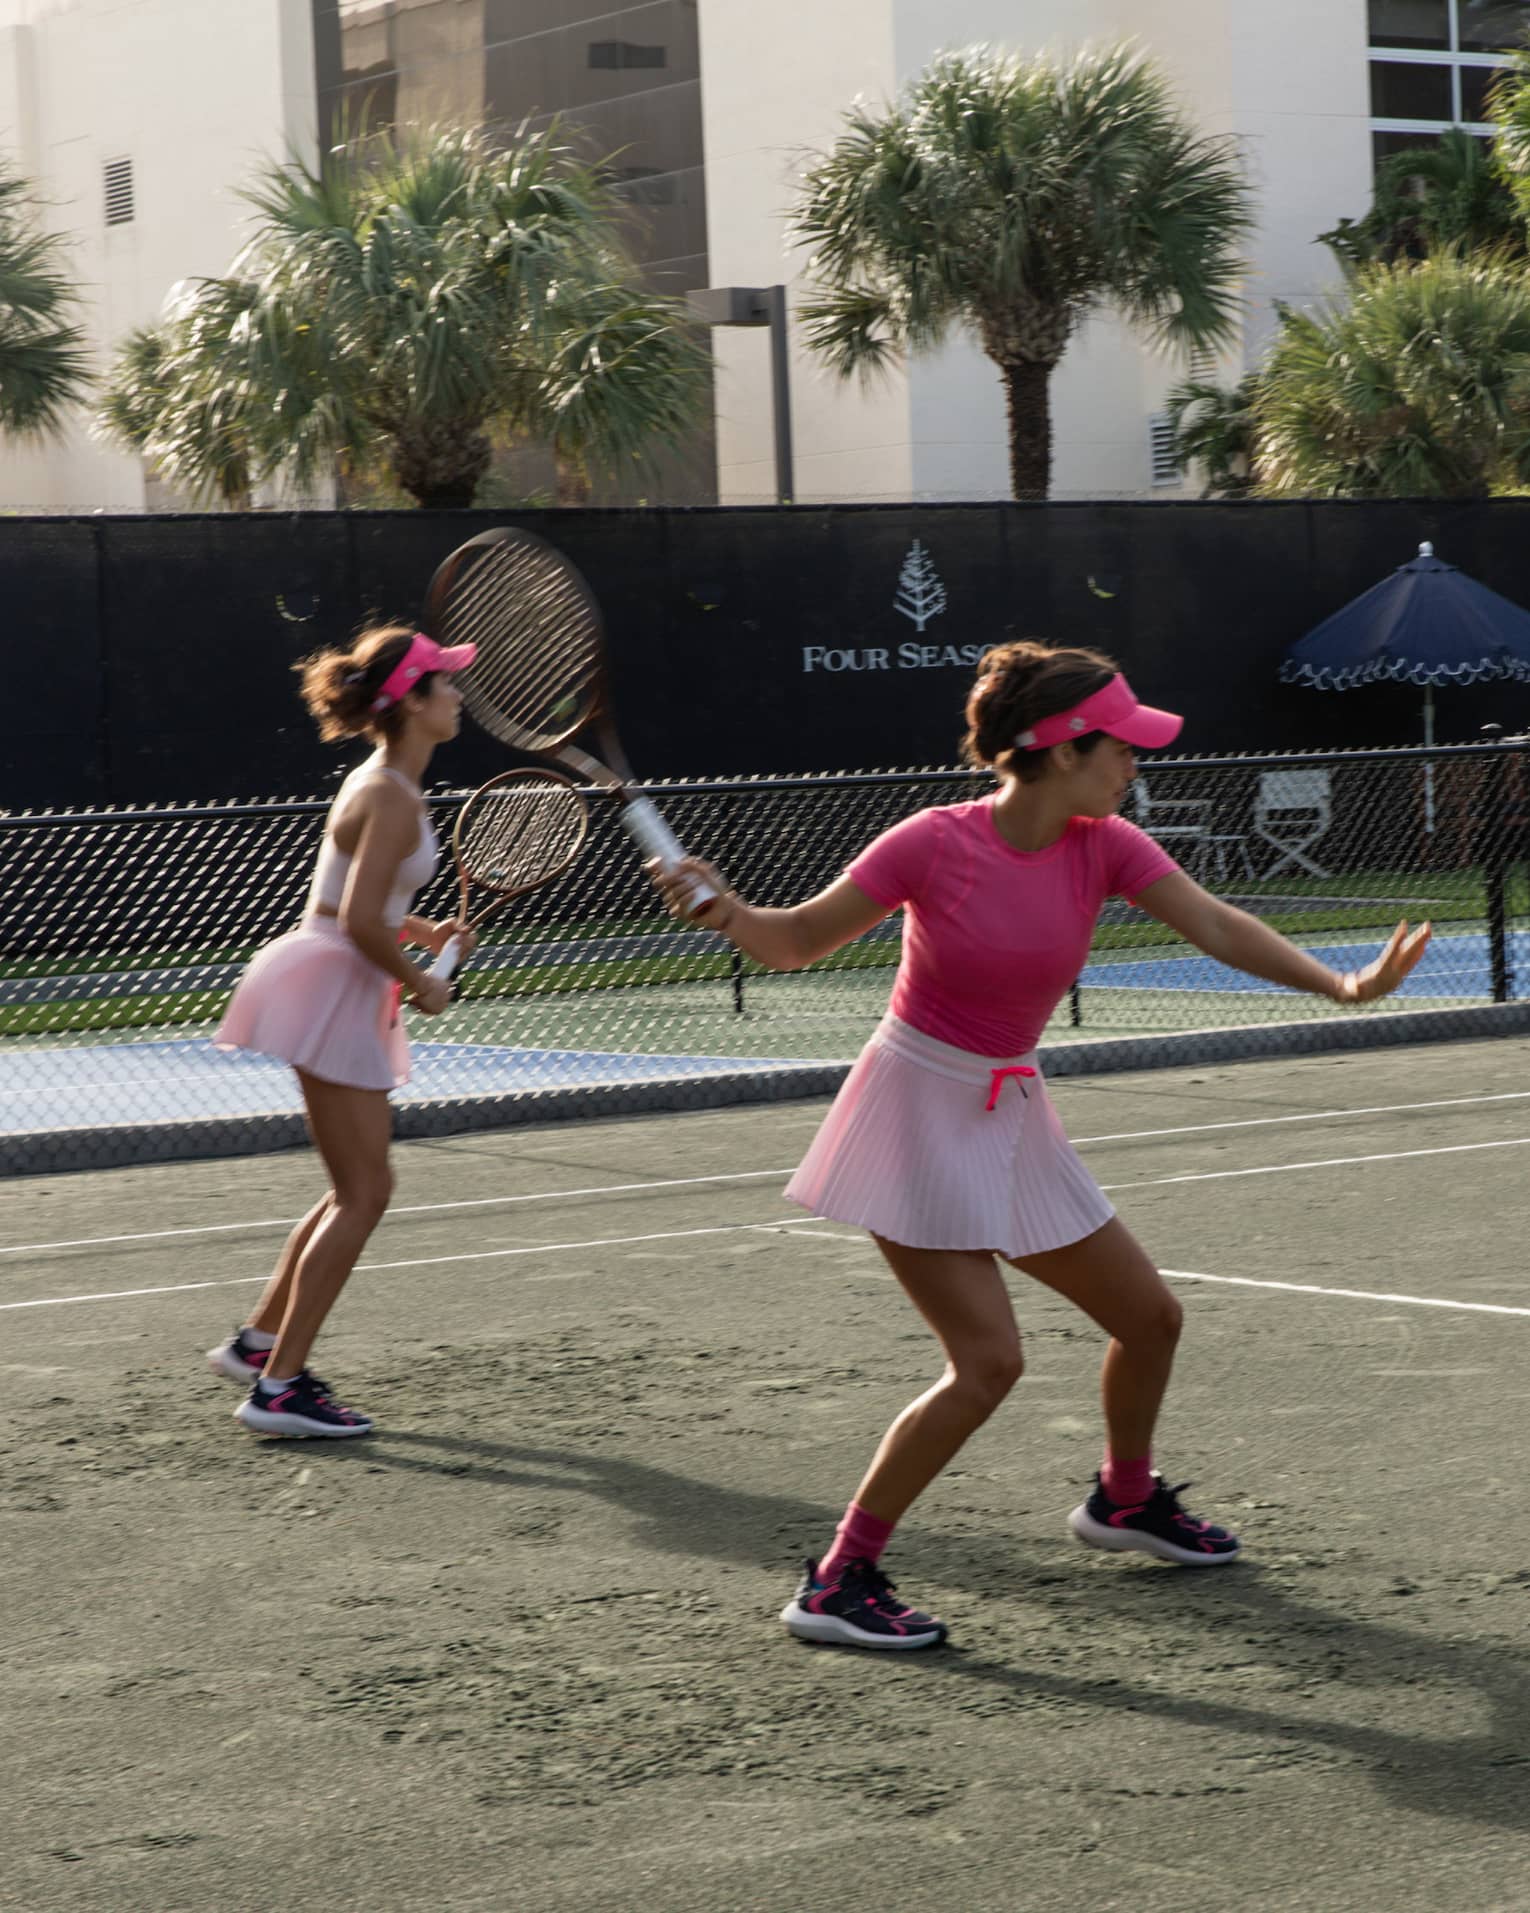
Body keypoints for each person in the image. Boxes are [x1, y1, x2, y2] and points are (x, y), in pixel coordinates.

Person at [651, 641, 1430, 1651]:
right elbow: (794, 940)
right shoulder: (932, 842)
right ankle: (840, 1577)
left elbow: (1217, 925)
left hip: (1011, 1109)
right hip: (915, 1108)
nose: (1136, 764)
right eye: (1123, 748)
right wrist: (723, 910)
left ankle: (1125, 1498)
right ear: (1064, 750)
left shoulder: (1103, 843)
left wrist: (1343, 983)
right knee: (986, 1365)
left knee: (1148, 1316)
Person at [206, 626, 478, 1438]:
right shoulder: (392, 792)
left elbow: (362, 901)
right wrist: (422, 979)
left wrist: (420, 932)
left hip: (333, 975)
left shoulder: (388, 781)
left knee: (349, 1186)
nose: (459, 695)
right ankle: (279, 1389)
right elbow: (359, 920)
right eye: (446, 684)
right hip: (333, 982)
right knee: (367, 1192)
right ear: (413, 702)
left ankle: (260, 1346)